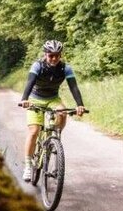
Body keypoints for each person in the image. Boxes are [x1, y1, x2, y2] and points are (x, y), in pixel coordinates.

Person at [19, 40, 86, 181]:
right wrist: (25, 99)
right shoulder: (38, 65)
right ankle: (28, 165)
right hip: (35, 98)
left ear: (60, 55)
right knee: (34, 131)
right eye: (51, 56)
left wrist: (80, 104)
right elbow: (30, 82)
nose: (54, 58)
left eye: (57, 55)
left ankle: (54, 136)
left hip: (52, 98)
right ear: (46, 54)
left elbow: (73, 87)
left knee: (61, 111)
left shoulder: (65, 68)